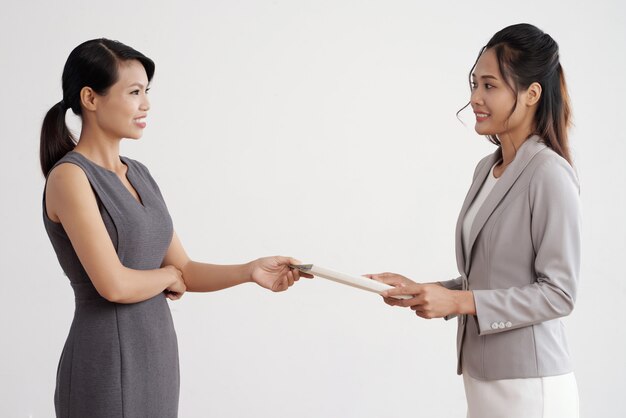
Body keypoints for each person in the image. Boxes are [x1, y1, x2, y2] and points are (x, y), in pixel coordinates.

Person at [40, 38, 310, 418]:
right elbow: (114, 284)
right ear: (90, 98)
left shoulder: (141, 175)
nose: (146, 104)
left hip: (158, 356)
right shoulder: (70, 177)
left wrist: (250, 271)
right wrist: (167, 275)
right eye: (134, 92)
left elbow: (186, 268)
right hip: (105, 359)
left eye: (146, 92)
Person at [368, 23, 581, 417]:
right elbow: (486, 277)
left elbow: (559, 294)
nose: (474, 99)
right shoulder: (487, 169)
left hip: (531, 389)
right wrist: (424, 289)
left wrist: (458, 301)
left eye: (489, 86)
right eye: (474, 84)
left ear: (532, 93)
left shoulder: (549, 173)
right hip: (482, 382)